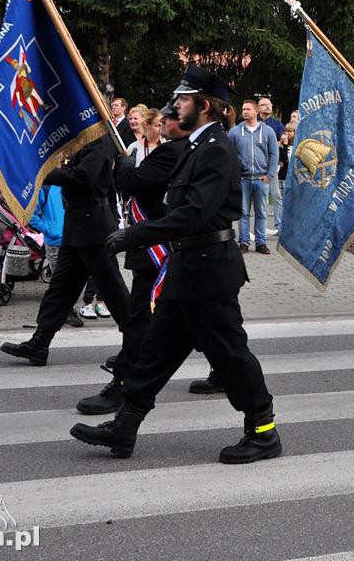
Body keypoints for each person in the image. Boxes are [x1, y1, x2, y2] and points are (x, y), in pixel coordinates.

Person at [71, 65, 281, 464]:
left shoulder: (217, 148)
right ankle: (125, 425)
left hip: (210, 271)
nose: (175, 105)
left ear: (203, 106)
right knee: (155, 350)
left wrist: (136, 234)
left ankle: (263, 430)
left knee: (230, 354)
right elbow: (176, 207)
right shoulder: (199, 146)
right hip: (187, 267)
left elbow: (195, 214)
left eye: (183, 100)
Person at [0, 131, 142, 416]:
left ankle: (138, 345)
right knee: (60, 288)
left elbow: (83, 179)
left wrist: (45, 173)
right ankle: (40, 343)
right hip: (77, 223)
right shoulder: (83, 142)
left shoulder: (98, 142)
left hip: (94, 225)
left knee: (113, 292)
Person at [29, 184, 84, 328]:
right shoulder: (46, 189)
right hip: (55, 242)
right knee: (60, 279)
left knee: (73, 278)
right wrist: (49, 231)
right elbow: (32, 215)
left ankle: (62, 310)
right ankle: (64, 312)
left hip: (74, 240)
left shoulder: (72, 186)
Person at [228, 98, 278, 254]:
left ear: (256, 111)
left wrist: (269, 175)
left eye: (248, 109)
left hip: (261, 179)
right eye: (243, 109)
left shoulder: (268, 131)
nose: (244, 112)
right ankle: (244, 242)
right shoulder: (235, 131)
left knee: (262, 213)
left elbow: (274, 154)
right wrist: (234, 175)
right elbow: (228, 154)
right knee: (243, 213)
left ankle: (261, 243)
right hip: (242, 179)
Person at [258, 97, 285, 235]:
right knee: (260, 197)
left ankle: (279, 226)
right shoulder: (253, 122)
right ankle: (260, 228)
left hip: (272, 165)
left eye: (268, 105)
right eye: (263, 105)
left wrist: (284, 139)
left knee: (276, 196)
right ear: (258, 108)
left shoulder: (277, 124)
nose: (267, 107)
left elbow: (283, 139)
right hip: (257, 165)